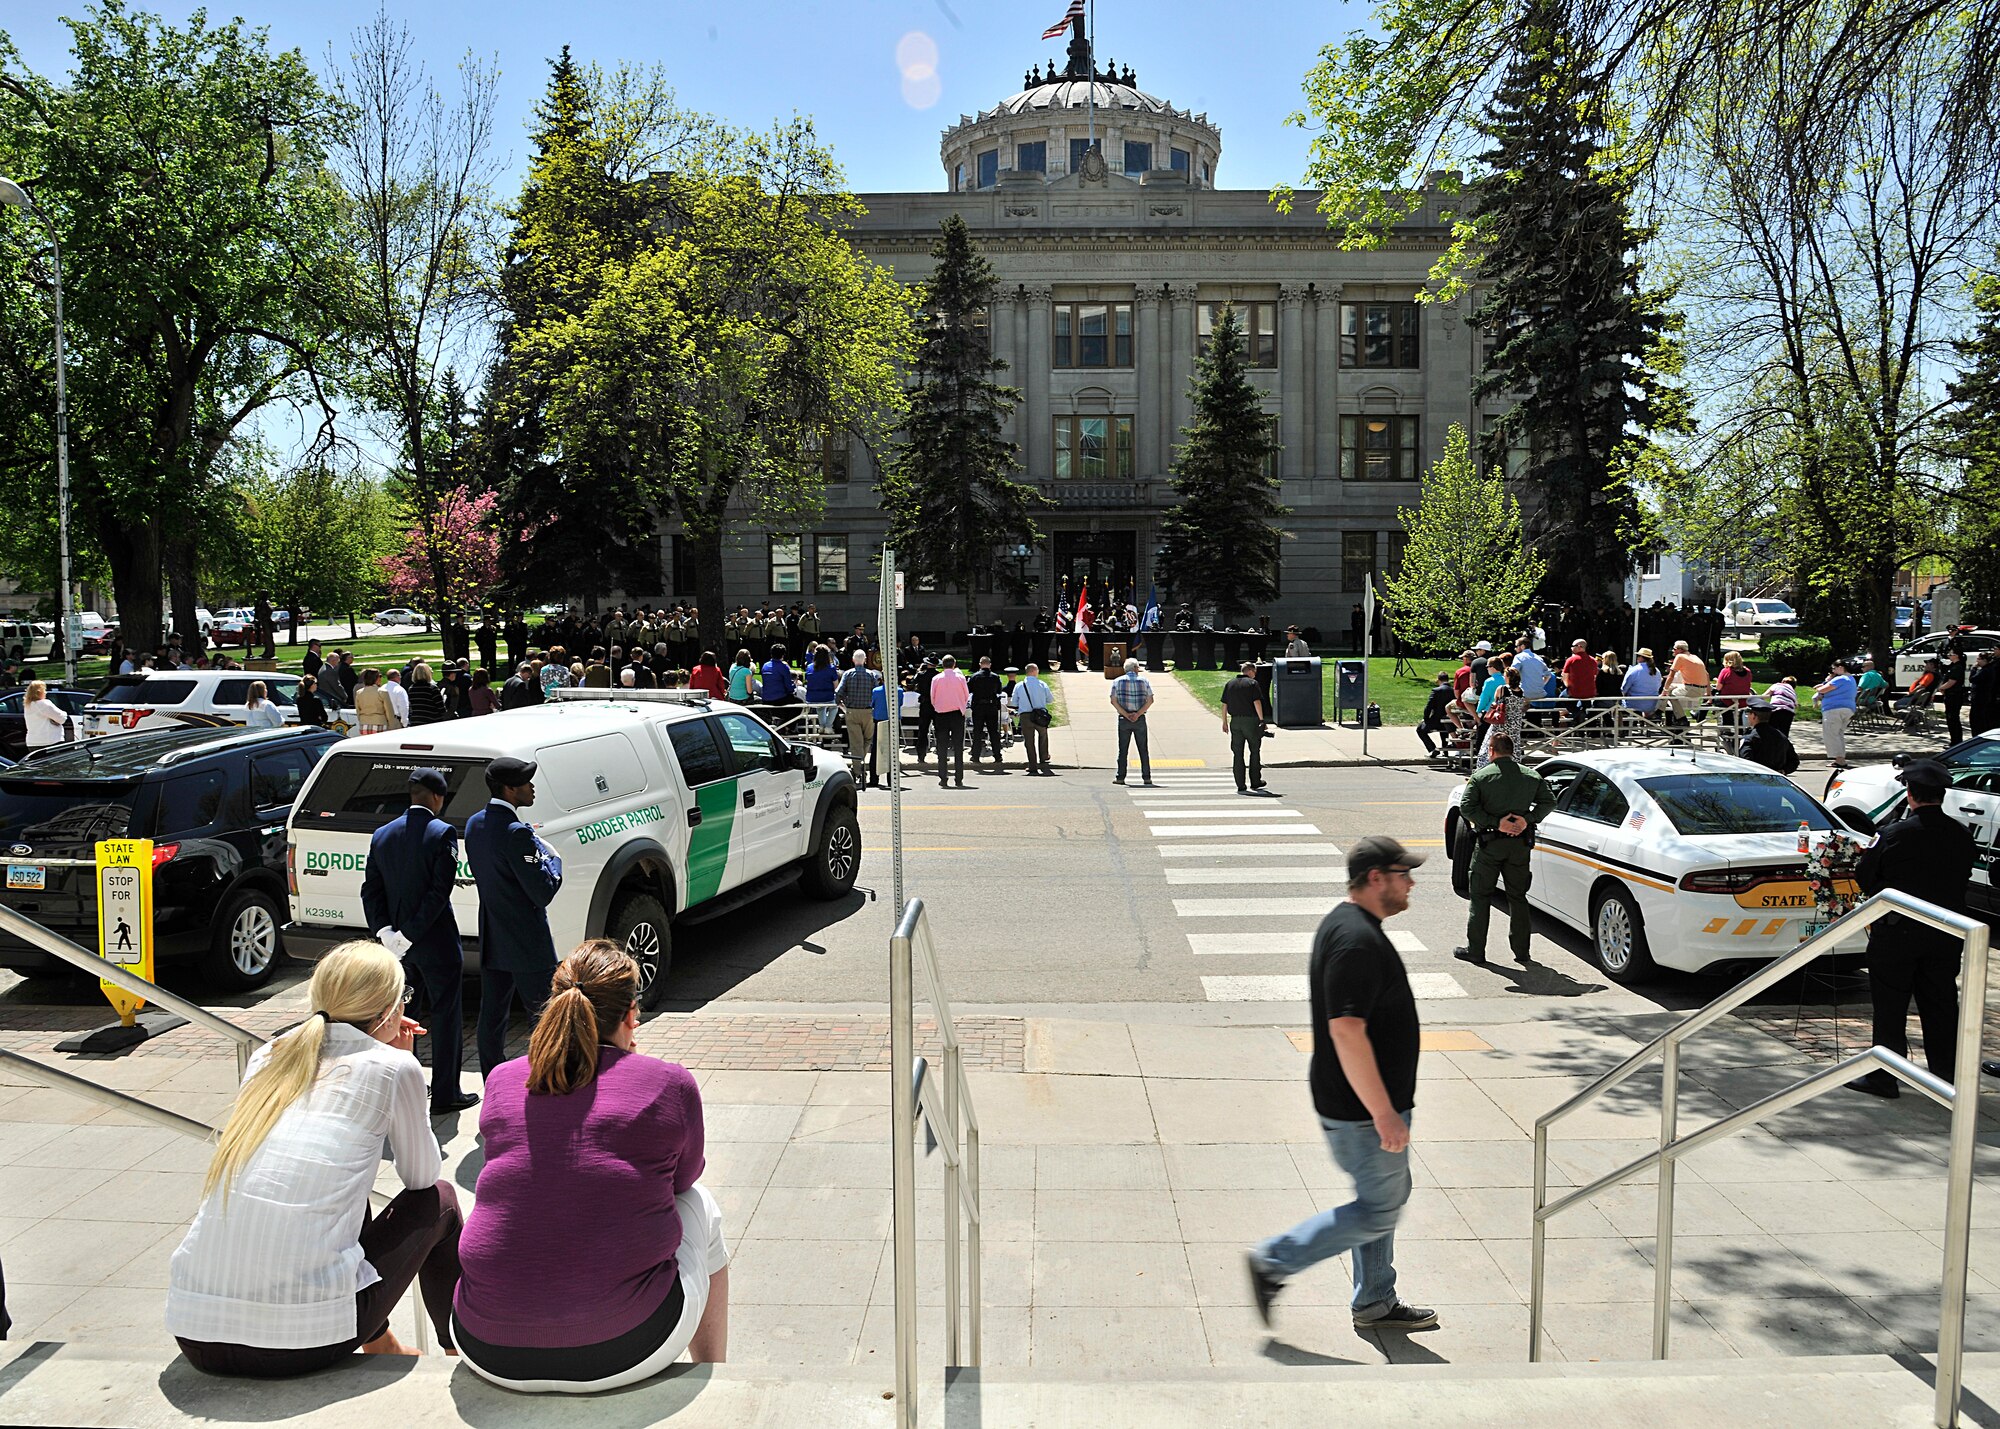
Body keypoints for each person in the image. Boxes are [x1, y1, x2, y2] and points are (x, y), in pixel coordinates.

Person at [166, 941, 461, 1375]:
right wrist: (404, 1064)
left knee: (341, 1194)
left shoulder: (269, 1054)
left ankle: (384, 1342)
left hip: (196, 1334)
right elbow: (421, 1178)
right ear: (389, 1010)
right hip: (302, 1344)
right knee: (442, 1200)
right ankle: (457, 1352)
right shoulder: (392, 1066)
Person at [452, 942, 728, 1391]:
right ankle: (716, 1372)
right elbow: (684, 1178)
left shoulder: (503, 1079)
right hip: (625, 1346)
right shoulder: (669, 1083)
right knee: (700, 1203)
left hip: (487, 1345)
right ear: (631, 1016)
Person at [1246, 835, 1436, 1336]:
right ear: (1376, 878)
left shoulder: (1349, 923)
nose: (1411, 882)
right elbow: (1346, 1030)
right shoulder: (1356, 941)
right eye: (1403, 873)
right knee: (1378, 1210)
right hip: (1361, 1111)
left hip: (1359, 1104)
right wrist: (1383, 1113)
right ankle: (1273, 1262)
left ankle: (1374, 1298)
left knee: (1385, 1198)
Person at [1848, 760, 1977, 1100]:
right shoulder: (1961, 834)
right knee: (1941, 1003)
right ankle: (1946, 1075)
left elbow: (1866, 878)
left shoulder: (1894, 835)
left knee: (1890, 1005)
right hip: (1945, 933)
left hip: (1898, 933)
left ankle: (1885, 1075)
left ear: (1910, 794)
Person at [362, 769, 478, 1116]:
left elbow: (371, 890)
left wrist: (387, 933)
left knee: (401, 1017)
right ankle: (445, 1093)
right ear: (437, 798)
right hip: (435, 944)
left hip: (396, 948)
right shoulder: (441, 833)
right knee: (444, 1016)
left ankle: (406, 1088)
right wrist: (411, 934)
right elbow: (438, 892)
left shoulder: (382, 834)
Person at [466, 757, 563, 1078]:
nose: (532, 787)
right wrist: (554, 861)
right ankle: (548, 1080)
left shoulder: (474, 824)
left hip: (494, 937)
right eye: (526, 782)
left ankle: (492, 1080)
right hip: (527, 941)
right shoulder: (516, 833)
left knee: (492, 1016)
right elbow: (543, 891)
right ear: (510, 790)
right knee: (546, 1017)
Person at [1454, 733, 1555, 966]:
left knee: (1480, 897)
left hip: (1489, 846)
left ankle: (1476, 950)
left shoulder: (1481, 777)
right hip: (1519, 847)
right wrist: (1526, 820)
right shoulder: (1531, 777)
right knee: (1518, 898)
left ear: (1491, 750)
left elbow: (1466, 808)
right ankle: (1522, 952)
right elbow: (1549, 802)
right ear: (1513, 751)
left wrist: (1494, 822)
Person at [1221, 661, 1272, 794]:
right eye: (1254, 672)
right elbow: (1257, 702)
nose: (1255, 675)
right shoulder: (1252, 684)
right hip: (1250, 721)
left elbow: (1224, 704)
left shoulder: (1230, 684)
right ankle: (1255, 781)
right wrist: (1262, 720)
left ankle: (1240, 784)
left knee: (1237, 753)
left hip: (1235, 722)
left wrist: (1224, 722)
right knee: (1254, 751)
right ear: (1250, 671)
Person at [835, 650, 881, 786]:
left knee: (856, 743)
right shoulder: (871, 675)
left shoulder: (848, 674)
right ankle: (860, 765)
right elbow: (876, 692)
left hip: (852, 711)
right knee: (868, 740)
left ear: (854, 660)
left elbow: (838, 693)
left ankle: (857, 770)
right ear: (865, 660)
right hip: (868, 712)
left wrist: (843, 707)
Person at [1109, 656, 1156, 786]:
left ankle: (1120, 777)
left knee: (1123, 749)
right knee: (1143, 749)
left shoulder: (1117, 681)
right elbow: (1150, 700)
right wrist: (1138, 714)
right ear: (1135, 668)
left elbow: (1113, 700)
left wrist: (1126, 714)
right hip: (1139, 718)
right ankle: (1146, 777)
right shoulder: (1144, 681)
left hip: (1124, 719)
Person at [928, 654, 970, 790]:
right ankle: (959, 778)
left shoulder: (936, 679)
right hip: (957, 714)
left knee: (942, 747)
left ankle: (943, 777)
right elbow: (966, 696)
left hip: (941, 715)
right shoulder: (960, 678)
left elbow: (932, 697)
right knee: (958, 747)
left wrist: (939, 707)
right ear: (954, 664)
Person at [1477, 667, 1527, 769]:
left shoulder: (1502, 689)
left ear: (1508, 677)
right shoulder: (1521, 691)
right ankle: (1513, 769)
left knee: (1489, 746)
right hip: (1515, 724)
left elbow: (1495, 702)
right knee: (1513, 747)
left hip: (1501, 722)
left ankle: (1483, 768)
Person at [1011, 662, 1054, 775]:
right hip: (1040, 715)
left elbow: (1014, 702)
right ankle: (1044, 757)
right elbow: (1050, 699)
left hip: (1025, 716)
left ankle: (1032, 765)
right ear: (1035, 671)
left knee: (1029, 742)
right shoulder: (1042, 684)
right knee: (1043, 736)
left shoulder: (1019, 685)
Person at [1814, 660, 1859, 768]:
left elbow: (1822, 690)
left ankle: (1839, 759)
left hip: (1834, 709)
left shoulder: (1840, 679)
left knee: (1831, 734)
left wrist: (1826, 682)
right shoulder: (1851, 679)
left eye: (1834, 668)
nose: (1833, 671)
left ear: (1840, 667)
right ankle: (1840, 758)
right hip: (1848, 709)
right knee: (1839, 734)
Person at [1735, 699, 1799, 774]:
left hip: (1756, 780)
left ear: (1753, 716)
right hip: (1776, 780)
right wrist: (1783, 771)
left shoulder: (1750, 738)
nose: (1748, 716)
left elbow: (1745, 762)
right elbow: (1794, 761)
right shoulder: (1781, 736)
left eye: (1748, 713)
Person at [967, 655, 1006, 770]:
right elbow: (999, 691)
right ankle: (997, 756)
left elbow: (969, 690)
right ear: (990, 665)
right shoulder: (995, 677)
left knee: (977, 732)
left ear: (980, 664)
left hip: (978, 706)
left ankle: (975, 756)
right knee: (993, 732)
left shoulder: (974, 677)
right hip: (991, 706)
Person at [1666, 639, 1711, 724]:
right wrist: (1709, 695)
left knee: (1670, 694)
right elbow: (1707, 675)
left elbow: (1671, 676)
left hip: (1690, 690)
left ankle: (1681, 718)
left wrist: (1664, 690)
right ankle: (1659, 712)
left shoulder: (1680, 657)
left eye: (1674, 649)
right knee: (1670, 689)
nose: (1673, 650)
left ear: (1680, 650)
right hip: (1700, 690)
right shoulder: (1695, 657)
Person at [1415, 670, 1456, 760]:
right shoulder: (1453, 691)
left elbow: (1429, 707)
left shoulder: (1436, 691)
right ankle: (1445, 751)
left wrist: (1425, 719)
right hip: (1450, 722)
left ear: (1439, 680)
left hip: (1436, 720)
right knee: (1445, 730)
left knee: (1420, 730)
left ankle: (1432, 749)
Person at [1715, 651, 1755, 734]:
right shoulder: (1748, 671)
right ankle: (1739, 733)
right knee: (1738, 716)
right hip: (1743, 701)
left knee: (1713, 696)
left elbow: (1718, 687)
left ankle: (1700, 715)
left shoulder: (1726, 671)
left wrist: (1717, 681)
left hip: (1728, 701)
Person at [22, 680, 68, 748]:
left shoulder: (28, 705)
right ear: (39, 691)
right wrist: (65, 713)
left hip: (32, 742)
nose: (46, 692)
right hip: (49, 741)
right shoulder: (44, 703)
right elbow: (62, 718)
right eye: (44, 690)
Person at [1561, 639, 1599, 723]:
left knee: (1562, 697)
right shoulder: (1593, 660)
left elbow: (1565, 676)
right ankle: (1582, 721)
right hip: (1590, 692)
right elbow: (1594, 676)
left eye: (1573, 646)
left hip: (1574, 691)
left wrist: (1568, 686)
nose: (1571, 648)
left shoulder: (1571, 660)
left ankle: (1577, 713)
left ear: (1579, 647)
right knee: (1585, 705)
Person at [1938, 648, 1968, 745]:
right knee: (1950, 720)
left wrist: (1941, 688)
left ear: (1957, 655)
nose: (1949, 655)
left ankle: (1956, 742)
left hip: (1954, 695)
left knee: (1953, 719)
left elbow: (1952, 681)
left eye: (1951, 654)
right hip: (1949, 695)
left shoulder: (1957, 667)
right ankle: (1953, 741)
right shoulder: (1952, 666)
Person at [1621, 648, 1662, 718]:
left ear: (1642, 658)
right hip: (1652, 704)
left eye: (1638, 656)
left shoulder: (1634, 670)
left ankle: (1620, 727)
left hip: (1634, 703)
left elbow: (1624, 688)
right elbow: (1658, 686)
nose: (1637, 658)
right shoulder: (1657, 671)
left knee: (1616, 705)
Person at [1969, 649, 2000, 737]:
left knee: (1977, 721)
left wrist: (1974, 669)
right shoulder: (1987, 669)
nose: (1977, 661)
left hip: (1980, 698)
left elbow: (1972, 679)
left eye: (1979, 659)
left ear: (1984, 660)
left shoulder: (1985, 670)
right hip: (1982, 698)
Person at [353, 669, 393, 734]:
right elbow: (389, 711)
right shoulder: (382, 692)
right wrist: (391, 725)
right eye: (380, 676)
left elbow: (358, 710)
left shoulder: (359, 692)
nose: (381, 678)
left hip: (364, 724)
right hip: (379, 723)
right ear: (376, 679)